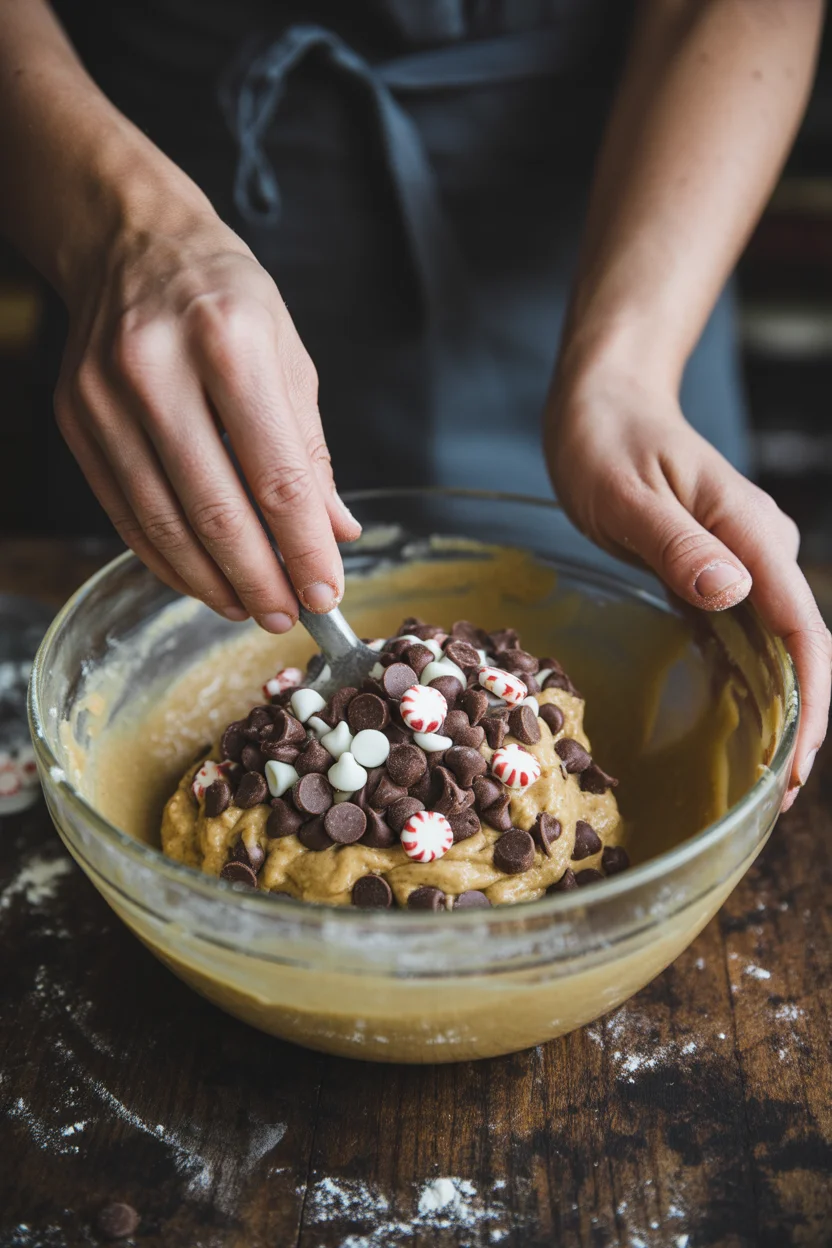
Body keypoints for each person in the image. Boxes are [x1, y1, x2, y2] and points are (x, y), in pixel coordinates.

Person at [1, 0, 828, 809]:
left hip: (631, 223)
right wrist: (119, 227)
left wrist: (630, 373)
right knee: (166, 580)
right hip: (150, 208)